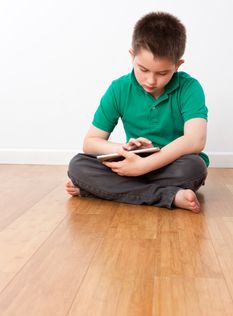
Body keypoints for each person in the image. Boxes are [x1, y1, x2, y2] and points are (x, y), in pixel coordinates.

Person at [66, 11, 208, 213]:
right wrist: (126, 150)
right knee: (78, 165)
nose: (151, 80)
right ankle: (169, 196)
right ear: (132, 56)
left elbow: (195, 141)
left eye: (162, 73)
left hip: (169, 167)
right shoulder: (119, 88)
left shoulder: (189, 88)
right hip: (130, 165)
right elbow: (91, 143)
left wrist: (145, 165)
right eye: (143, 69)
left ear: (178, 65)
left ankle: (101, 190)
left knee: (194, 167)